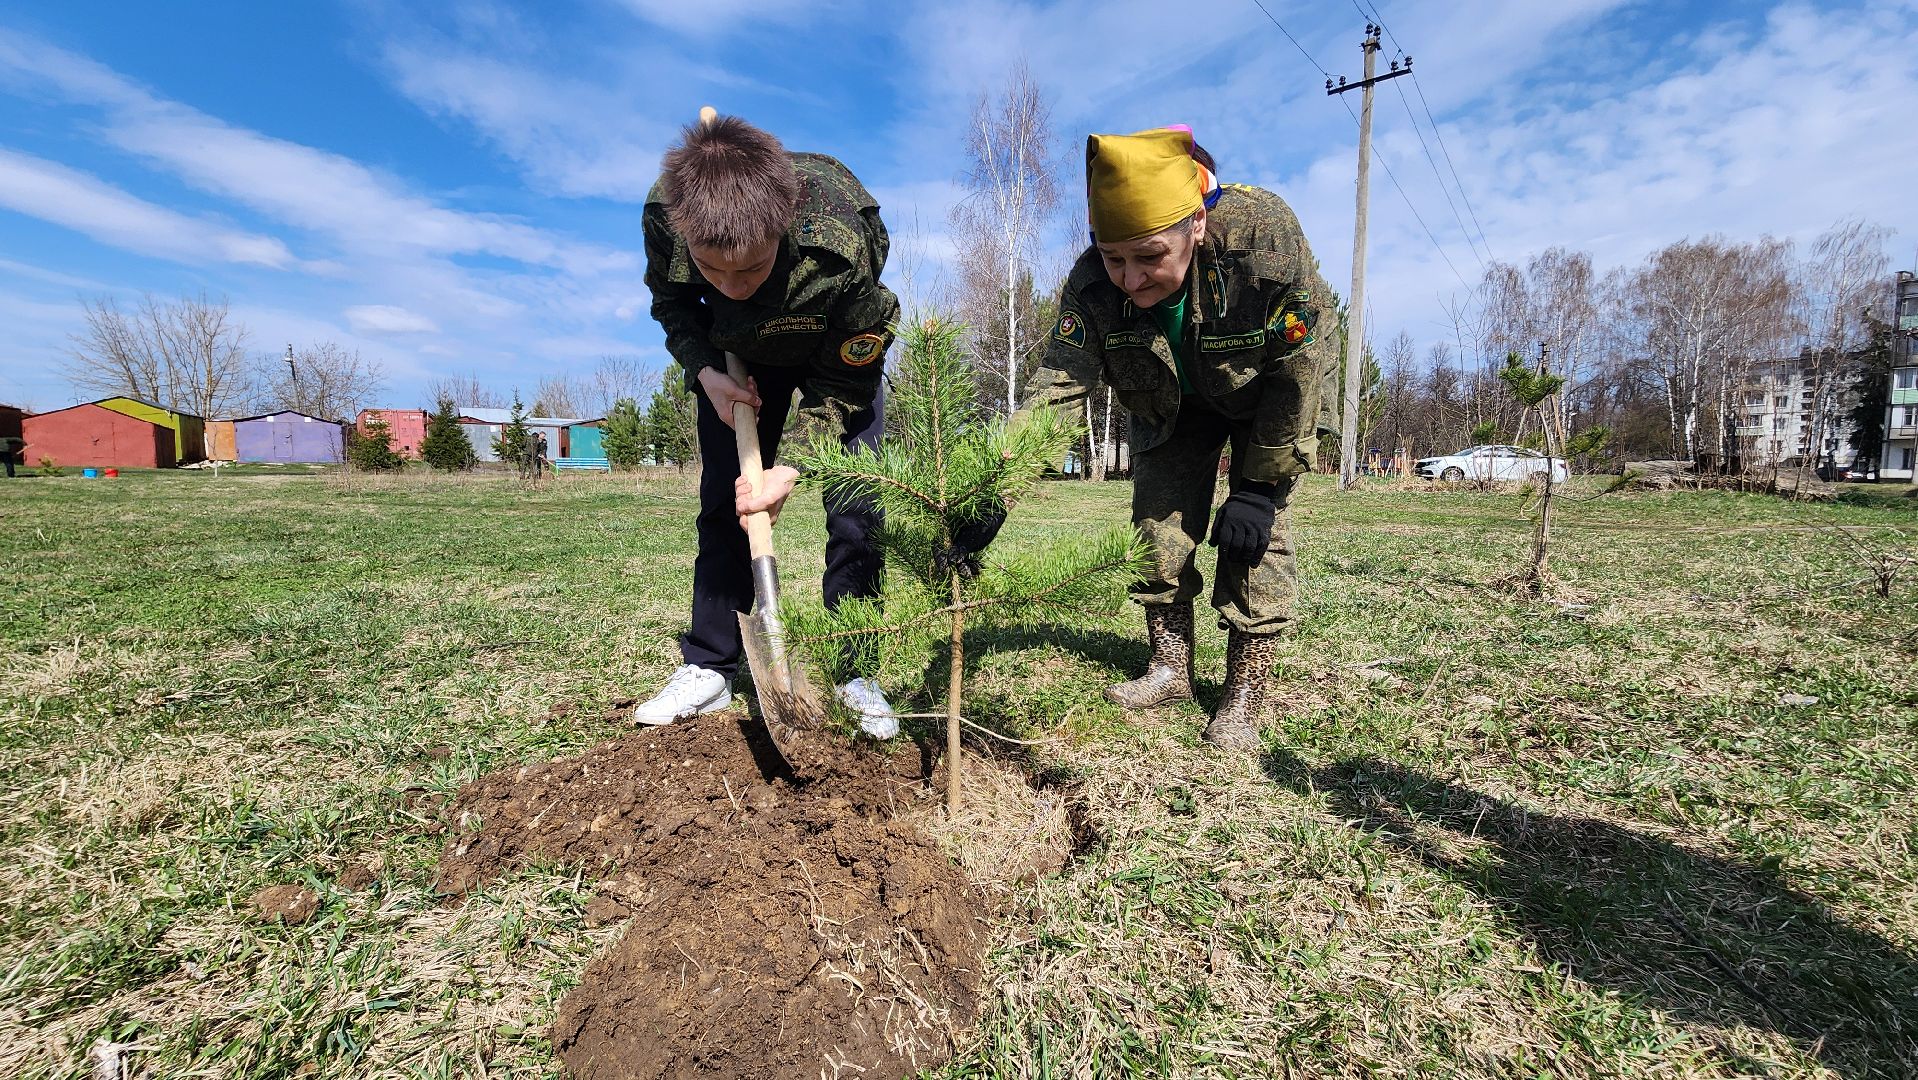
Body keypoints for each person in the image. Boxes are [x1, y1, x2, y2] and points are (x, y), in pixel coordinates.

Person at [973, 127, 1336, 752]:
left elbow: (1302, 369)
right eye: (1114, 257)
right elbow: (1058, 387)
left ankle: (1244, 695)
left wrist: (1259, 485)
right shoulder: (1093, 287)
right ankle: (1169, 666)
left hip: (1262, 400)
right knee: (1157, 531)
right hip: (1167, 404)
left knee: (1254, 540)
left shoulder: (1263, 247)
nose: (1130, 280)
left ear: (1195, 223)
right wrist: (993, 491)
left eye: (1148, 257)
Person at [633, 112, 898, 736]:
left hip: (831, 358)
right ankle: (711, 665)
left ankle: (853, 669)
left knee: (858, 509)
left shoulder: (839, 237)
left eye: (748, 271)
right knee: (726, 501)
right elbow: (671, 305)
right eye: (712, 270)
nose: (730, 286)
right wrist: (704, 372)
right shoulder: (665, 216)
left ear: (780, 231)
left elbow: (854, 365)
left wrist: (792, 465)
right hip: (736, 366)